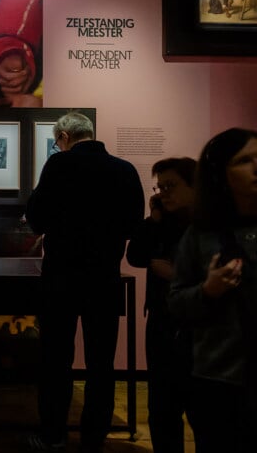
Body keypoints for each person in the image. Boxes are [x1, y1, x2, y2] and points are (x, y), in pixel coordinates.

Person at [24, 112, 144, 452]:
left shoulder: (58, 167)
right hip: (104, 277)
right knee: (101, 362)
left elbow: (36, 219)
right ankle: (94, 437)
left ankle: (52, 434)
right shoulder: (124, 170)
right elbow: (133, 226)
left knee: (55, 358)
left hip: (61, 276)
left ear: (63, 136)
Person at [168, 128, 257, 452]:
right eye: (245, 160)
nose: (256, 167)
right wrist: (209, 290)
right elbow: (176, 302)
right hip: (219, 379)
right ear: (221, 173)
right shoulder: (202, 233)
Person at [126, 157, 197, 453]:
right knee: (162, 406)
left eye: (171, 185)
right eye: (160, 186)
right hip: (161, 320)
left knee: (199, 406)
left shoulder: (209, 225)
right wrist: (153, 219)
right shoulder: (161, 220)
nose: (163, 192)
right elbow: (136, 257)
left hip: (198, 325)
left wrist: (175, 273)